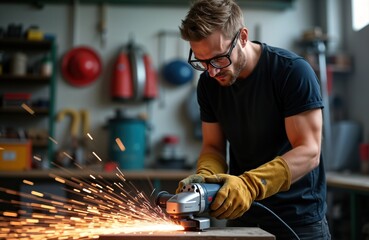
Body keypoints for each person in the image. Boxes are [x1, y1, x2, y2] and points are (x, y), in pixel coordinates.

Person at [176, 0, 331, 239]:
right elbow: (214, 146)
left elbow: (309, 151)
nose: (212, 71)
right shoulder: (208, 84)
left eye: (219, 59)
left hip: (297, 219)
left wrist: (249, 186)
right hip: (243, 215)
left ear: (243, 37)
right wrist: (205, 178)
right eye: (202, 61)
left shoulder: (291, 72)